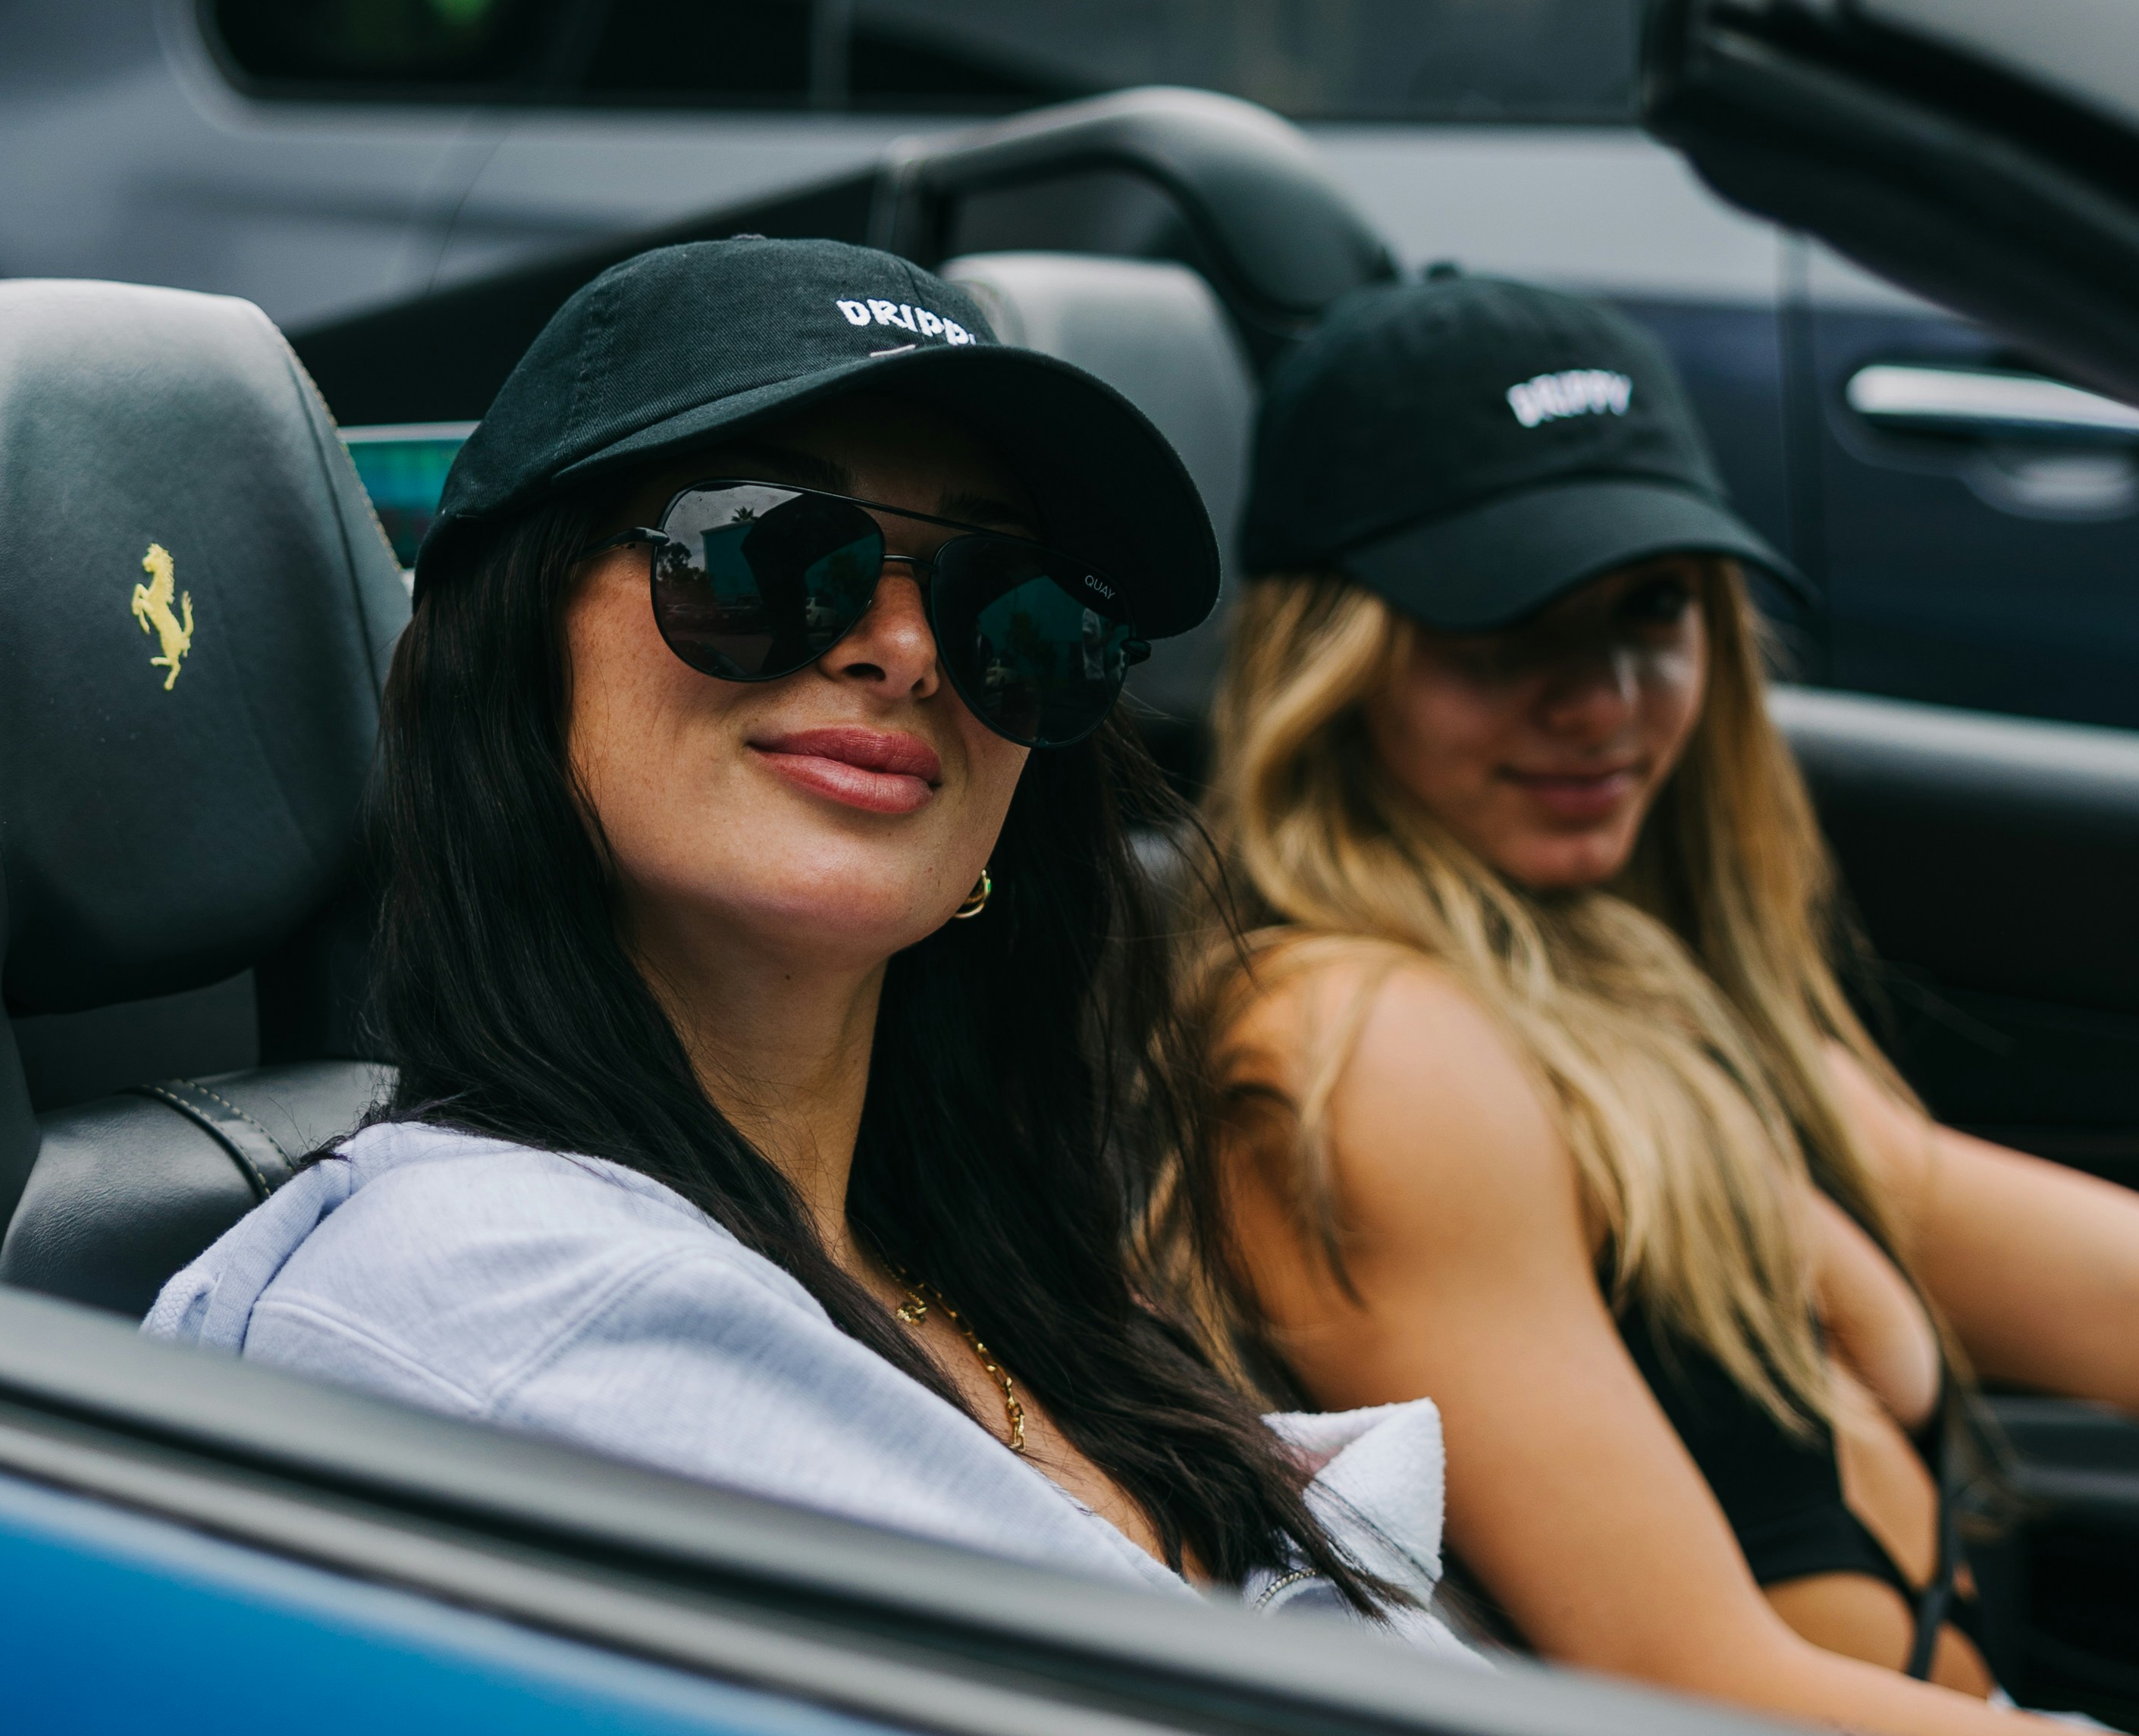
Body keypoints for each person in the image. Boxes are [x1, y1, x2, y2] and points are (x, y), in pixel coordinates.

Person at [1179, 267, 2139, 1736]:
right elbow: (1703, 1698)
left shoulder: (1642, 998)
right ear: (1343, 659)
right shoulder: (1363, 1049)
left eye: (1651, 610)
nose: (1602, 699)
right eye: (1509, 629)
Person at [152, 235, 1460, 1640]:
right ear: (509, 650)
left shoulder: (1000, 1289)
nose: (905, 650)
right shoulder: (492, 1292)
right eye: (768, 555)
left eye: (1004, 605)